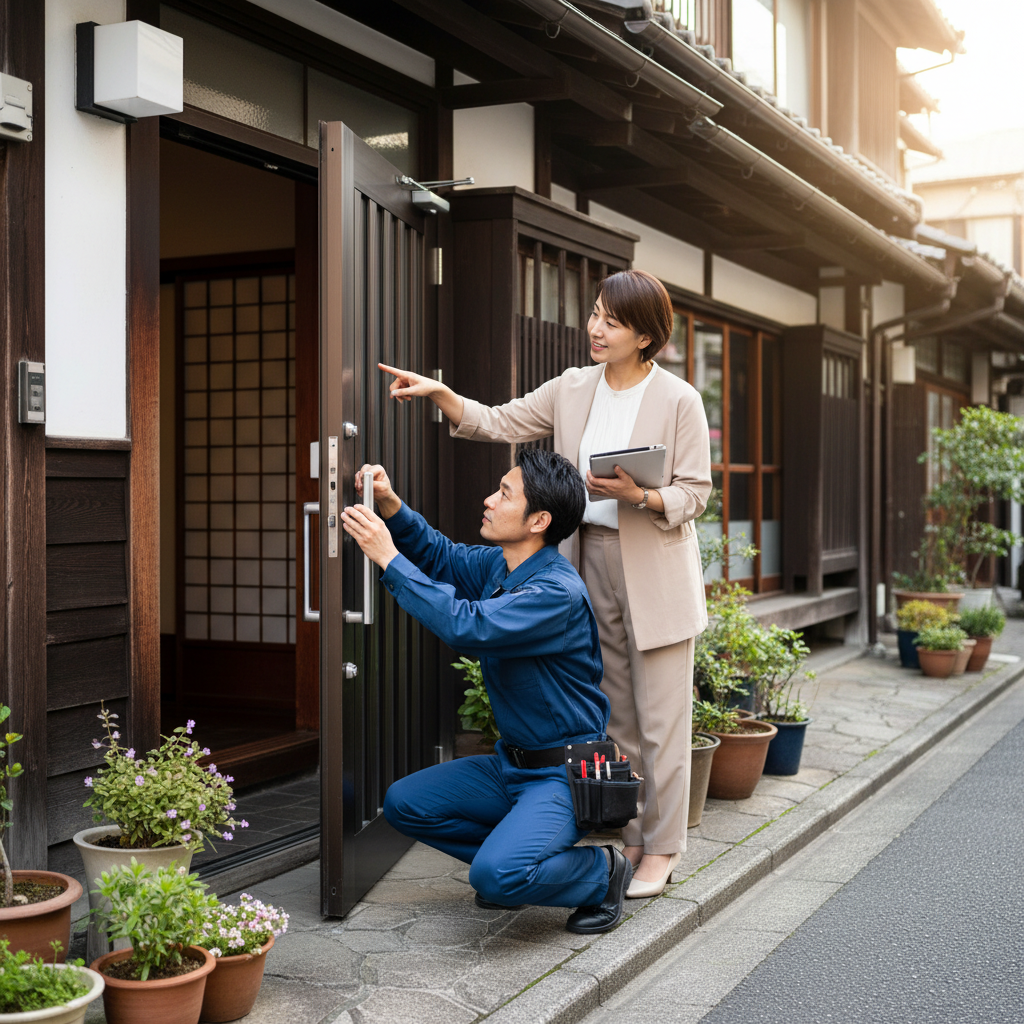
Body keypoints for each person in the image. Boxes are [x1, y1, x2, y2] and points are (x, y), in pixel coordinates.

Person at [379, 269, 712, 898]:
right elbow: (500, 420)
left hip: (655, 569)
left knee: (663, 717)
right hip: (586, 561)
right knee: (615, 720)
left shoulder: (679, 400)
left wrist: (639, 493)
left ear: (644, 336)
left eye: (611, 322)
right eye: (594, 315)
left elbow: (696, 492)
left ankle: (663, 849)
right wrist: (440, 394)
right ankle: (628, 836)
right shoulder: (571, 388)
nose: (595, 329)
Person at [339, 448, 633, 933]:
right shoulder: (501, 565)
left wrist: (387, 557)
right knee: (404, 803)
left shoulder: (555, 593)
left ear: (538, 520)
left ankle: (600, 873)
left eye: (504, 494)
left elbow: (466, 625)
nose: (489, 500)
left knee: (497, 874)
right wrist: (391, 505)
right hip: (509, 766)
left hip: (562, 776)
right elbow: (441, 556)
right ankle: (519, 870)